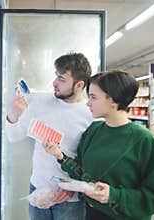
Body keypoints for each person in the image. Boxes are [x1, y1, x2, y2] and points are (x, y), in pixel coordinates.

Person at [43, 70, 154, 220]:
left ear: (112, 100)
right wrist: (60, 156)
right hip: (90, 213)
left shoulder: (143, 140)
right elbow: (83, 174)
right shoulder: (94, 130)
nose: (88, 103)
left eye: (93, 97)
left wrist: (114, 195)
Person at [5, 52, 93, 220]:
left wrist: (74, 188)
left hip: (70, 200)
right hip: (37, 189)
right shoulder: (40, 102)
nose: (54, 83)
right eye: (56, 76)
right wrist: (13, 116)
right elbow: (14, 136)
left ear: (79, 85)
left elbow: (92, 164)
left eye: (62, 79)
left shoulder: (91, 114)